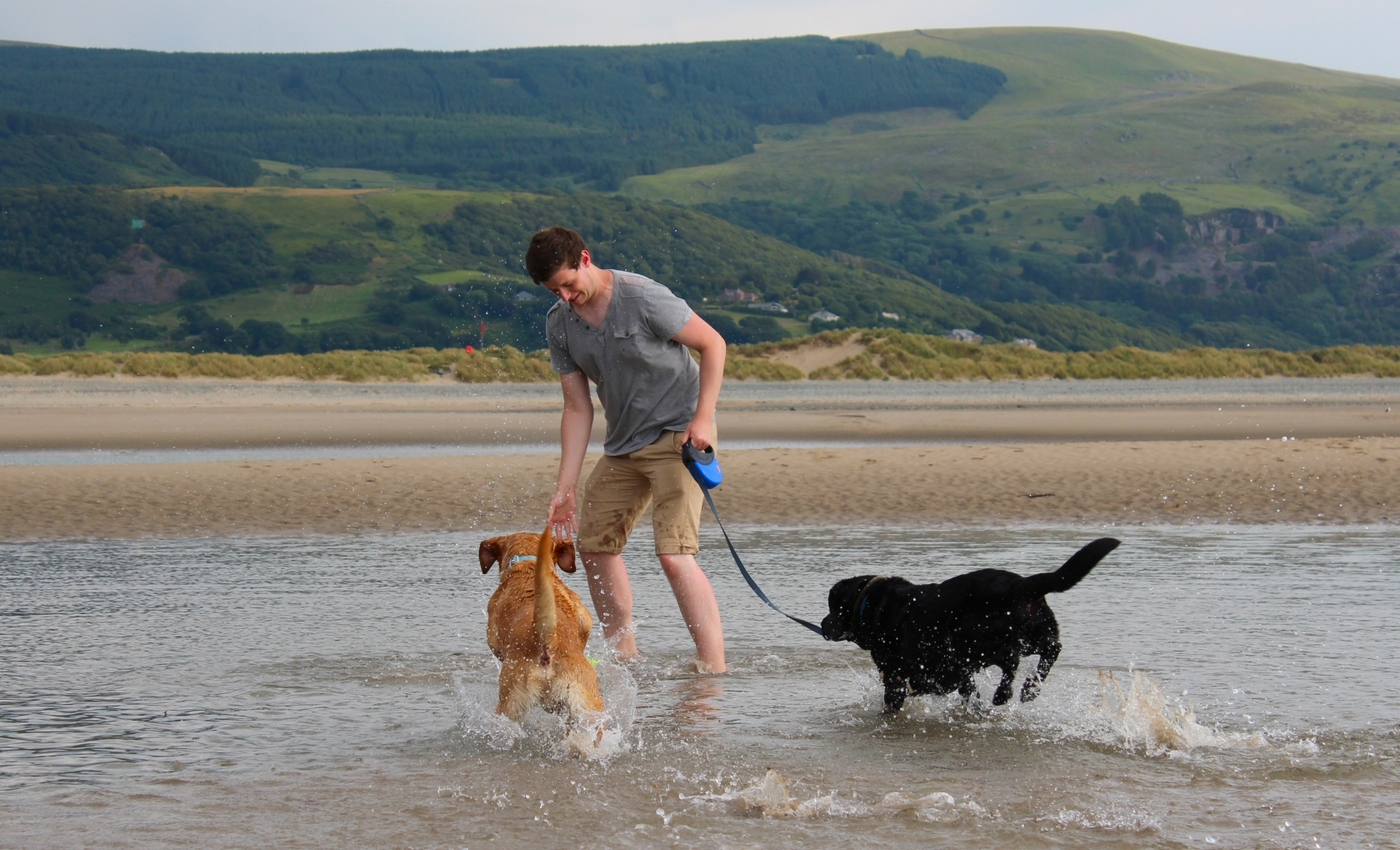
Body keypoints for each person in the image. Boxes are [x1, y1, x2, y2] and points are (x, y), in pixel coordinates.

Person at [526, 226, 728, 673]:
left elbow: (713, 345)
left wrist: (702, 420)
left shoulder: (642, 297)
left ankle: (713, 670)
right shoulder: (559, 323)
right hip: (623, 444)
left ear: (584, 258)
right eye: (553, 290)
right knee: (595, 545)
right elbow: (577, 408)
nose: (564, 296)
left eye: (568, 283)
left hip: (680, 434)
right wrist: (566, 487)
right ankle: (624, 655)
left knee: (674, 555)